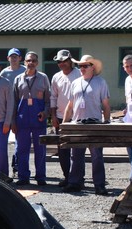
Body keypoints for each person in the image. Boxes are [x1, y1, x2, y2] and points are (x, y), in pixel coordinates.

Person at [63, 55, 111, 195]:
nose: (82, 68)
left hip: (95, 124)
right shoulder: (75, 83)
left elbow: (106, 105)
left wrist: (106, 123)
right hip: (78, 123)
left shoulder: (100, 82)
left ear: (93, 67)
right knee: (76, 155)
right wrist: (64, 124)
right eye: (80, 66)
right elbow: (70, 105)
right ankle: (74, 183)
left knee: (97, 156)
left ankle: (99, 185)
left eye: (85, 66)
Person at [13, 51, 51, 186]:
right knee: (22, 149)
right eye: (29, 61)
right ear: (24, 62)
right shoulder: (18, 79)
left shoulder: (43, 78)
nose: (31, 63)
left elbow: (48, 100)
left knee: (40, 150)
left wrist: (45, 113)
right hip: (22, 120)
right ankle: (23, 176)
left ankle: (41, 177)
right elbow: (14, 102)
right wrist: (13, 121)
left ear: (37, 63)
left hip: (38, 120)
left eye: (34, 61)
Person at [50, 50, 81, 186]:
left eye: (64, 61)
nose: (62, 63)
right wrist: (53, 116)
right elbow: (53, 97)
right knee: (63, 150)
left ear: (70, 60)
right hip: (61, 117)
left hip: (77, 118)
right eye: (59, 61)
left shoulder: (79, 74)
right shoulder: (56, 77)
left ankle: (78, 178)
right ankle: (67, 177)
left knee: (77, 150)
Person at [1, 48, 26, 178]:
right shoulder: (4, 73)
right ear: (8, 58)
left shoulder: (24, 71)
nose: (14, 58)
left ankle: (17, 167)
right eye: (12, 56)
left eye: (16, 56)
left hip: (20, 109)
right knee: (3, 140)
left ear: (20, 58)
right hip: (5, 110)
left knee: (19, 140)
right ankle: (2, 169)